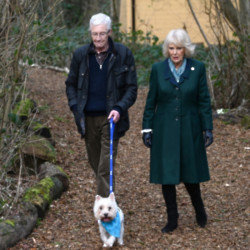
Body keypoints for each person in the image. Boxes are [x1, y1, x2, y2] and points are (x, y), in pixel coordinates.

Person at [142, 29, 213, 233]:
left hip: (190, 127)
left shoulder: (197, 68)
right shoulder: (158, 69)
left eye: (179, 48)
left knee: (191, 174)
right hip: (164, 129)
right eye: (171, 48)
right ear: (167, 49)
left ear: (185, 49)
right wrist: (147, 128)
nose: (174, 52)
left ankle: (200, 210)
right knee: (167, 175)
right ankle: (172, 219)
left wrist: (207, 127)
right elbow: (151, 102)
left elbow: (203, 101)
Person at [66, 13, 137, 197]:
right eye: (95, 34)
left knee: (106, 166)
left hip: (111, 117)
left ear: (109, 32)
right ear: (90, 33)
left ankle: (106, 212)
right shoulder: (81, 55)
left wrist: (119, 108)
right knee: (96, 163)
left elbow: (131, 88)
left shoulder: (123, 54)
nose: (98, 38)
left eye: (102, 34)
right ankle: (109, 198)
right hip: (87, 118)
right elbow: (70, 84)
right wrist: (75, 107)